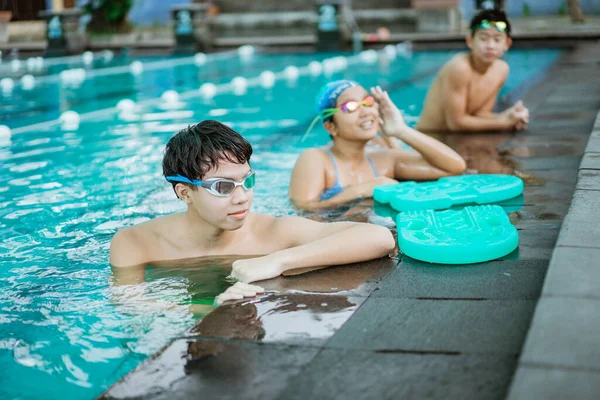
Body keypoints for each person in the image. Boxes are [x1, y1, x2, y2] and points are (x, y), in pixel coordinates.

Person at [109, 120, 395, 303]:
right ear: (185, 193)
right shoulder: (135, 242)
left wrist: (276, 261)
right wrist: (206, 308)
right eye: (223, 187)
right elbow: (133, 307)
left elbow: (378, 237)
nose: (242, 197)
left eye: (248, 181)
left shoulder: (273, 232)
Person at [289, 80, 466, 210]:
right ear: (331, 127)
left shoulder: (383, 159)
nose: (365, 111)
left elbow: (454, 167)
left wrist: (401, 130)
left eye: (367, 102)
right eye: (350, 107)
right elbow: (304, 210)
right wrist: (362, 189)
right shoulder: (315, 159)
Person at [417, 8, 530, 133]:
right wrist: (503, 122)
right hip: (430, 137)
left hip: (457, 138)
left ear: (507, 44)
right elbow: (455, 123)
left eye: (497, 40)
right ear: (470, 41)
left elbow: (481, 114)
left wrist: (510, 117)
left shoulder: (501, 70)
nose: (490, 46)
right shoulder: (460, 68)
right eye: (483, 38)